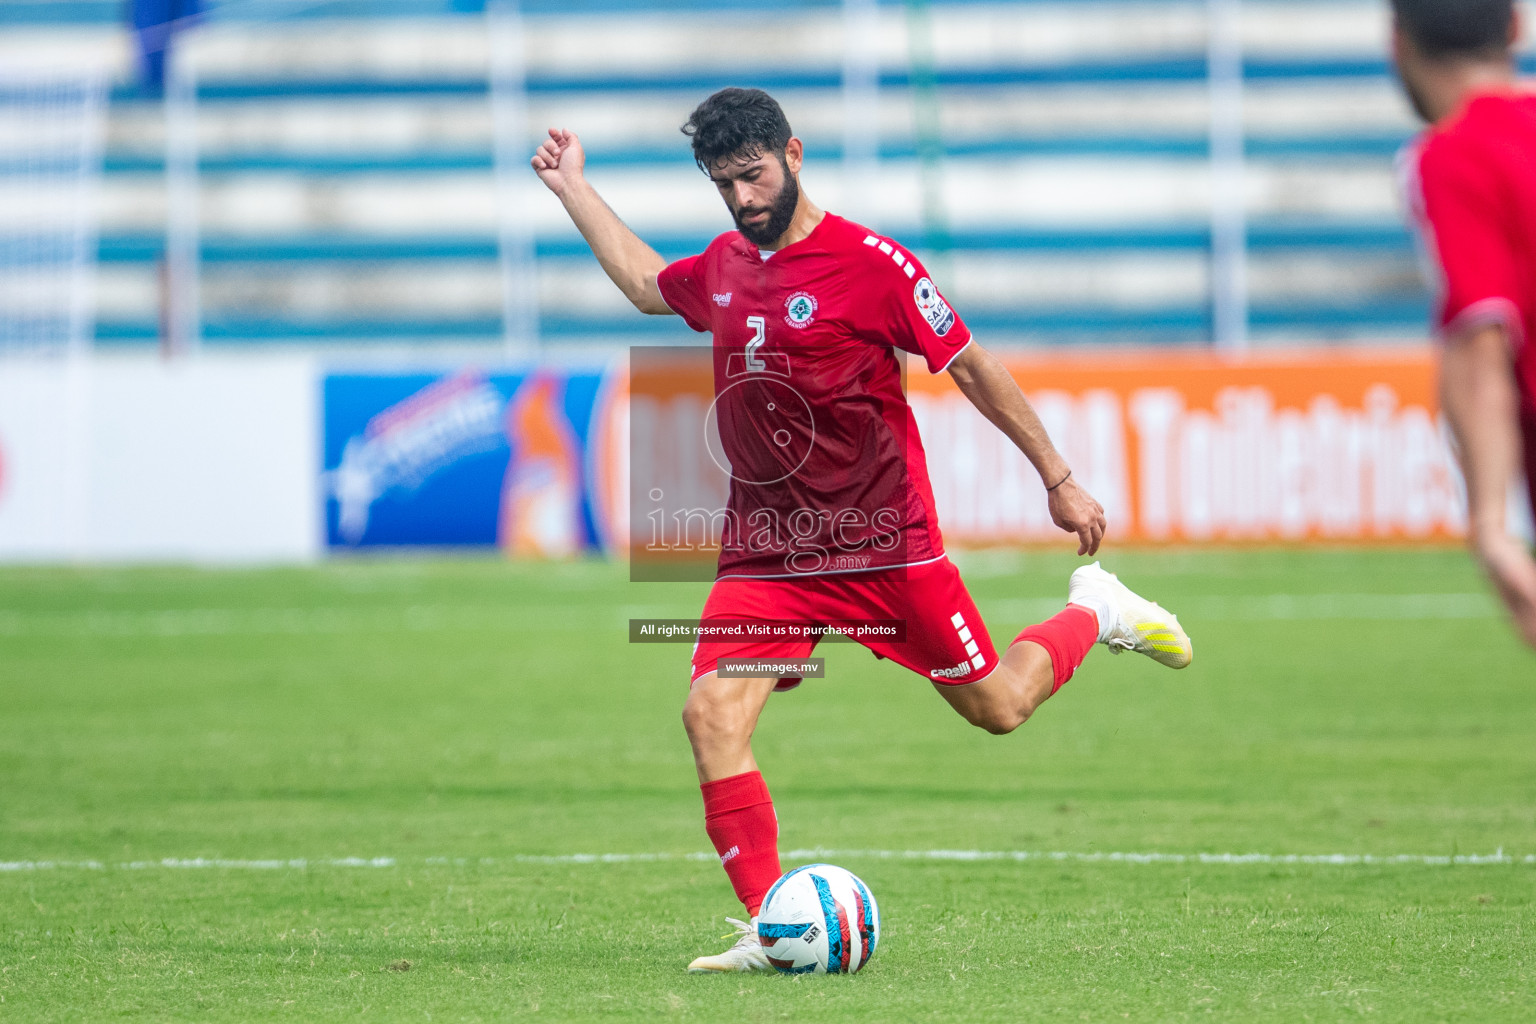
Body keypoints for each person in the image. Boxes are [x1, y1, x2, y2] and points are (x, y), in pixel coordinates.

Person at [531, 87, 1193, 972]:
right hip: (768, 557)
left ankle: (1097, 611)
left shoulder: (873, 264)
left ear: (794, 154)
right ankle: (772, 928)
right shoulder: (725, 264)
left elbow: (973, 367)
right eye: (723, 184)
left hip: (886, 549)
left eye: (754, 176)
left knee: (998, 708)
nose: (742, 200)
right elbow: (651, 286)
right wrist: (574, 188)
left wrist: (1059, 479)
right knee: (710, 714)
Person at [1394, 0, 1536, 649]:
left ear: (1399, 45)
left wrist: (1490, 529)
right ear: (1515, 27)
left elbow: (1482, 342)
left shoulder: (1453, 156)